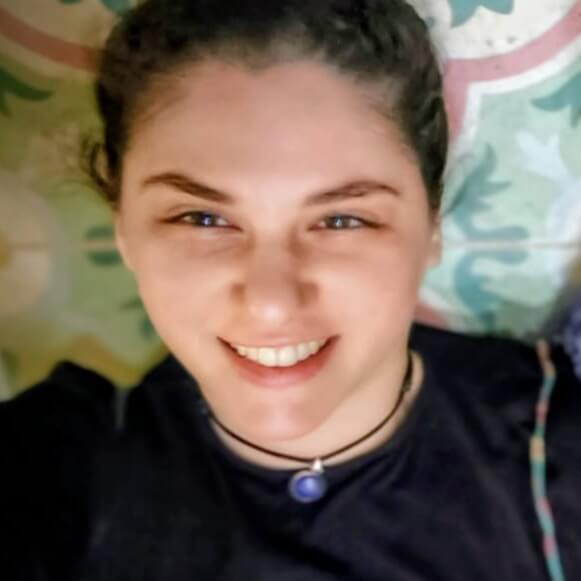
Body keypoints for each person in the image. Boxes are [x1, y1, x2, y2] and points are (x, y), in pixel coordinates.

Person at [1, 0, 580, 579]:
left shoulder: (557, 442)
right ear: (123, 228)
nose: (271, 303)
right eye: (202, 219)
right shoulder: (61, 470)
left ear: (430, 225)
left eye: (342, 220)